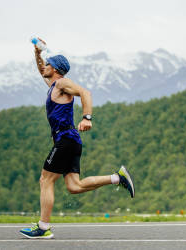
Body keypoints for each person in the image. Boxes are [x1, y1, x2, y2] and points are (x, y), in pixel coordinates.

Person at [20, 38, 135, 239]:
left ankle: (43, 227)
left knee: (45, 179)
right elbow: (41, 70)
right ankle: (118, 178)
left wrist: (86, 117)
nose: (44, 67)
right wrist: (38, 53)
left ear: (55, 69)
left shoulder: (63, 83)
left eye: (48, 64)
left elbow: (85, 92)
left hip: (66, 139)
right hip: (69, 141)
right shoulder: (54, 84)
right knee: (74, 186)